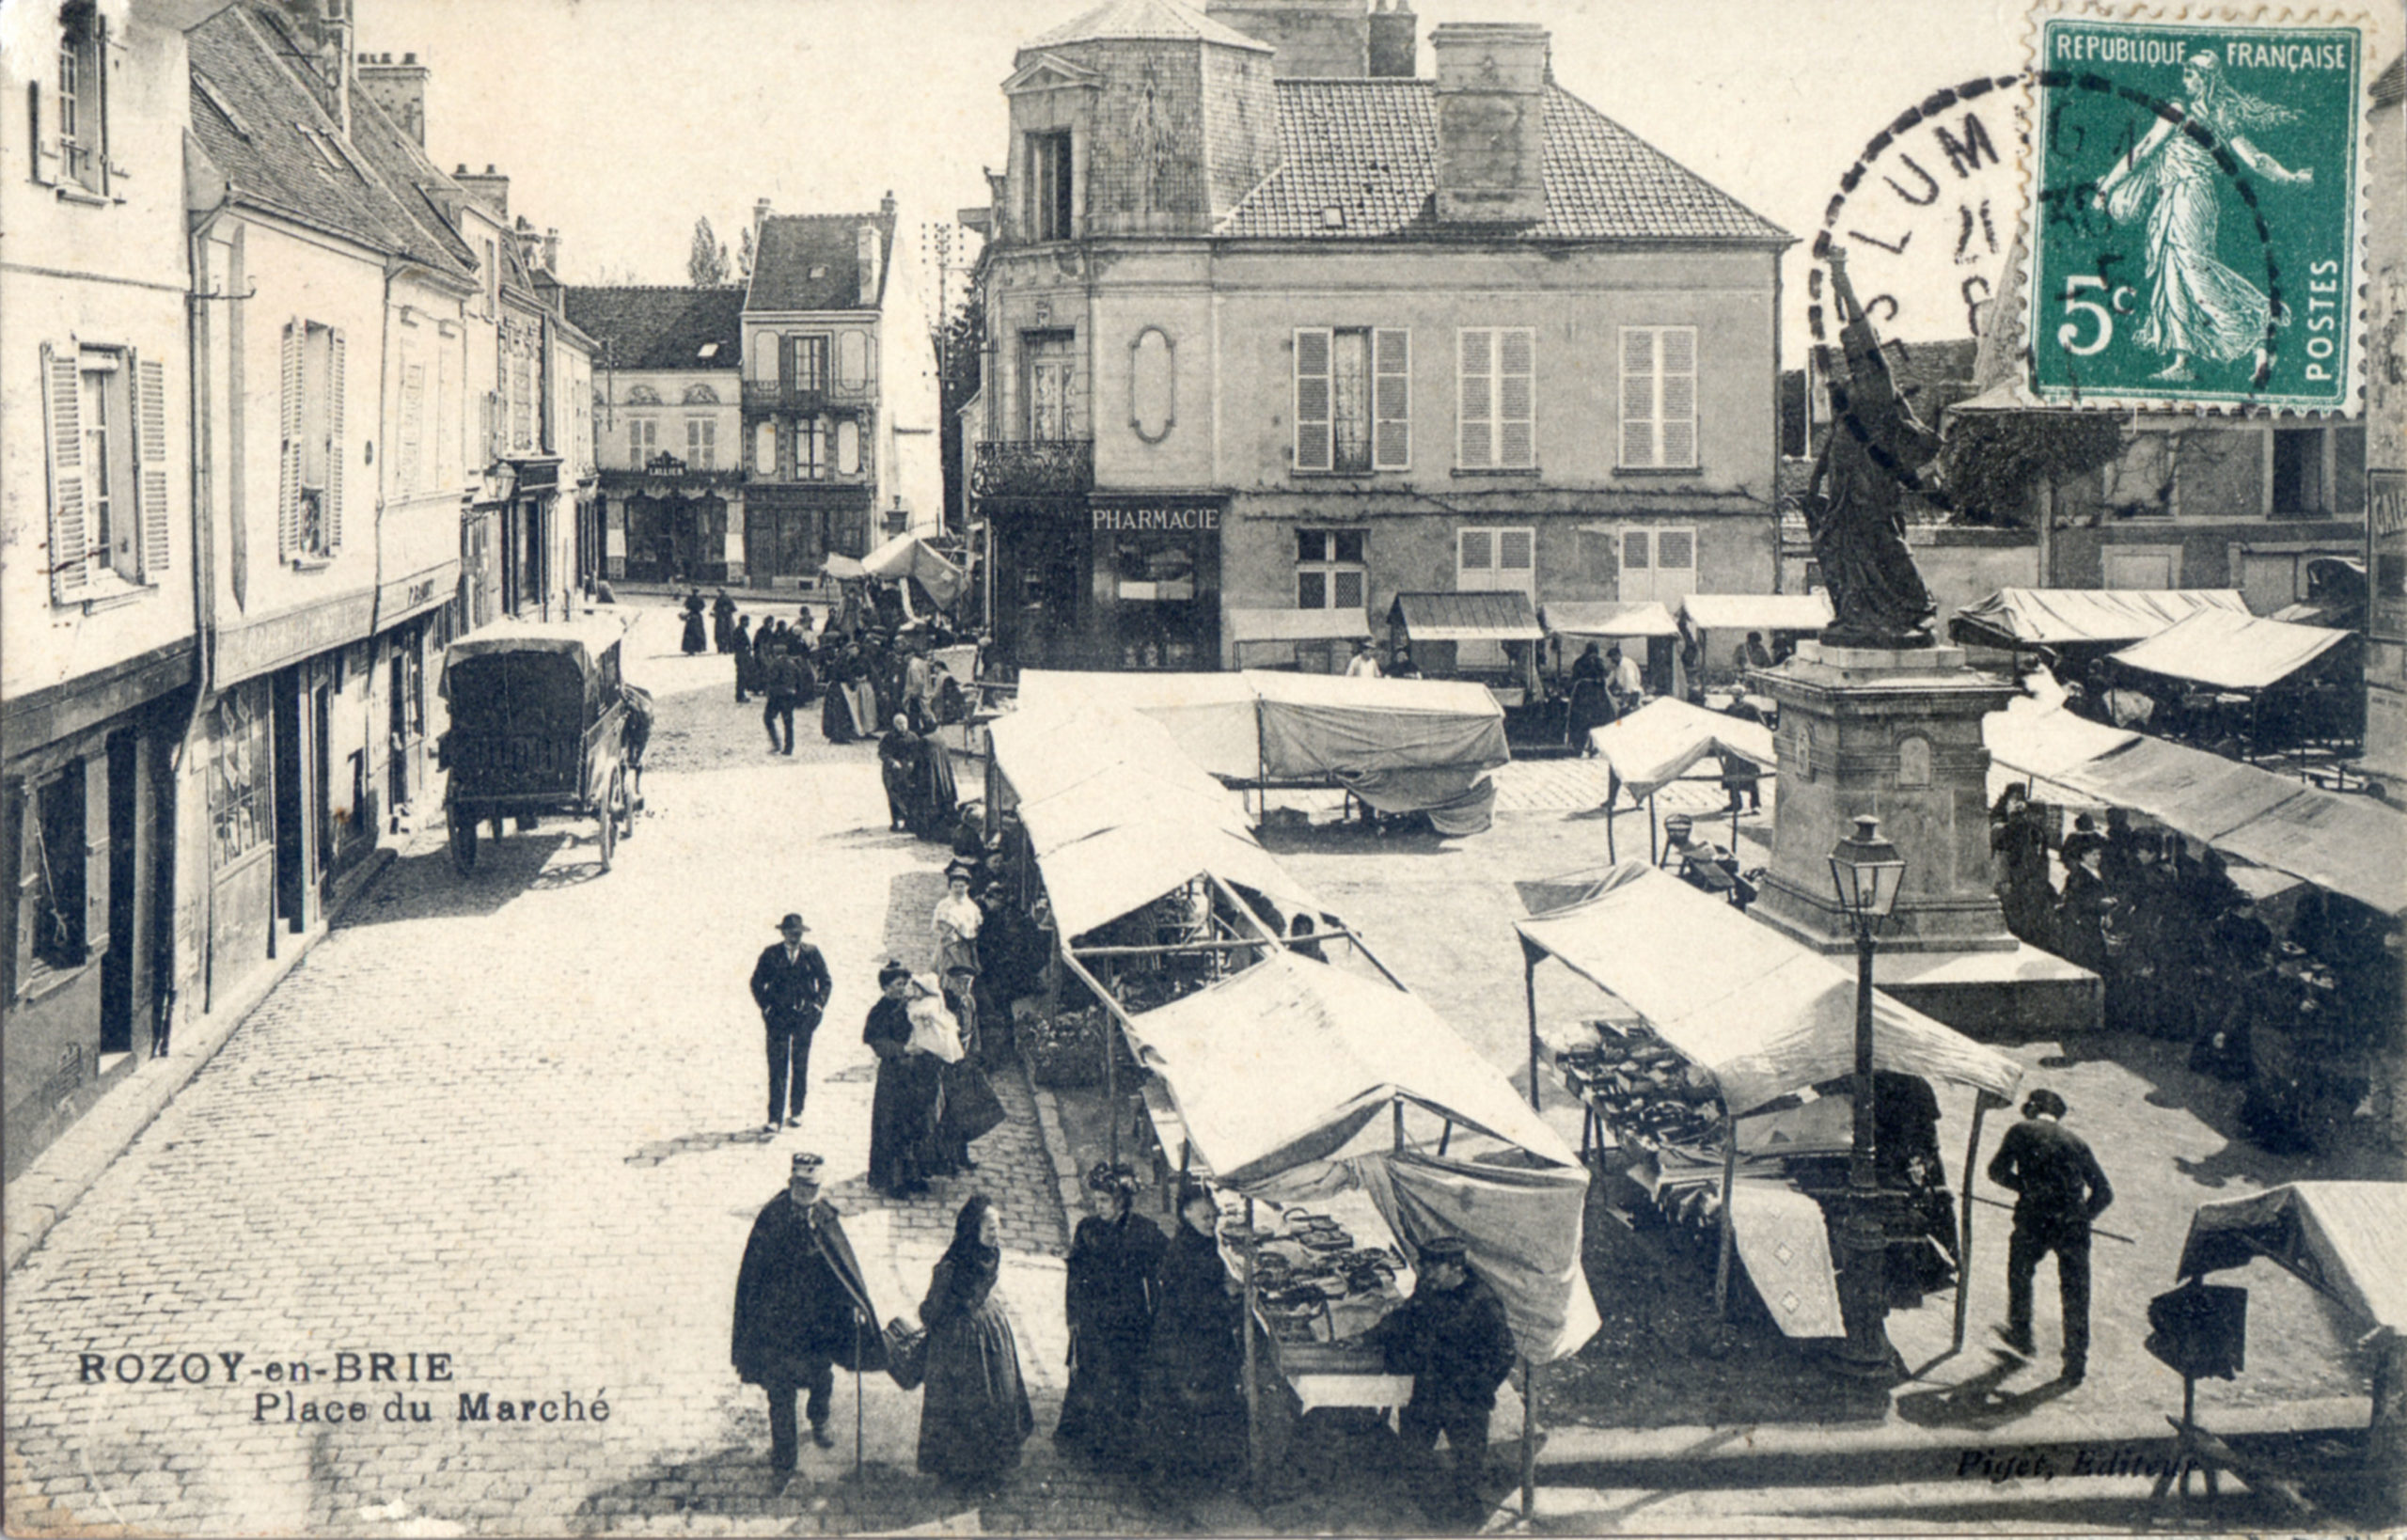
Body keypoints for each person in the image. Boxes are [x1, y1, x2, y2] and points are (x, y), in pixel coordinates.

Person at [2093, 52, 2313, 384]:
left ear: (2206, 79)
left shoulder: (2183, 111)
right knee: (2173, 275)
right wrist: (2291, 178)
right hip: (2177, 197)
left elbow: (2145, 149)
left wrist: (2106, 189)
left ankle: (2258, 329)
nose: (2184, 81)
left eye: (2190, 75)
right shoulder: (2220, 115)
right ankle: (2184, 360)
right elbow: (2256, 160)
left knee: (2195, 273)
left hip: (2188, 197)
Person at [732, 1153, 882, 1474]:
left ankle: (819, 1420)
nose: (807, 1193)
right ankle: (784, 1460)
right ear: (791, 1183)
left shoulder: (825, 1217)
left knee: (821, 1378)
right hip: (778, 1326)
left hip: (818, 1325)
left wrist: (854, 1304)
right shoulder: (772, 1218)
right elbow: (753, 1276)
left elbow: (843, 1268)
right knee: (780, 1392)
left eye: (813, 1187)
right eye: (801, 1185)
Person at [1363, 1234, 1517, 1524]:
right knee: (1414, 1453)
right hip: (1428, 1387)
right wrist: (1368, 1337)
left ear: (1456, 1267)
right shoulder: (1430, 1287)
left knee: (1467, 1466)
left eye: (1434, 1267)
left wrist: (1478, 1388)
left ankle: (1466, 1521)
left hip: (1465, 1397)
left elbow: (1504, 1353)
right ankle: (1427, 1511)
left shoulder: (1482, 1302)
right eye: (1425, 1266)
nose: (1426, 1273)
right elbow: (1405, 1317)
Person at [1988, 1090, 2112, 1383]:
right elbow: (2104, 1193)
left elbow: (1996, 1172)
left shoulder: (2021, 1130)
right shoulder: (2076, 1142)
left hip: (2034, 1219)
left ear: (2032, 1108)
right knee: (2076, 1292)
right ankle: (2075, 1364)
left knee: (2020, 1272)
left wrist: (2027, 1188)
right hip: (2073, 1226)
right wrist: (2082, 1217)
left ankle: (2021, 1334)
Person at [916, 1195, 1035, 1490]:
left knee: (977, 1401)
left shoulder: (978, 1257)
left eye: (998, 1227)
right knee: (980, 1400)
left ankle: (976, 1467)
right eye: (991, 1228)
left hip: (968, 1335)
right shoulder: (961, 1264)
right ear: (974, 1230)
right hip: (975, 1332)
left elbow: (931, 1311)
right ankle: (972, 1468)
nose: (996, 1234)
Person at [1139, 1179, 1246, 1495]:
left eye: (1214, 1216)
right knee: (1197, 1402)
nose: (1212, 1223)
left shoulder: (1197, 1240)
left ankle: (1193, 1471)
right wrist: (1229, 1297)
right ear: (1186, 1214)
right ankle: (1189, 1477)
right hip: (1187, 1341)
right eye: (1205, 1218)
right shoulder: (1185, 1252)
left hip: (1190, 1333)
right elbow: (1194, 1304)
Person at [1056, 1164, 1166, 1470]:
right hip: (1094, 1317)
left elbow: (1165, 1265)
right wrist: (1074, 1317)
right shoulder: (1087, 1229)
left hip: (1129, 1320)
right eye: (1096, 1200)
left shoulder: (1143, 1231)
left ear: (1121, 1201)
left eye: (1104, 1201)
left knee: (1124, 1380)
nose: (1098, 1206)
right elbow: (1074, 1278)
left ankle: (1119, 1448)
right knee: (1092, 1378)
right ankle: (1091, 1444)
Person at [863, 961, 942, 1197]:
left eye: (905, 984)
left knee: (916, 1124)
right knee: (892, 1127)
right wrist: (903, 1049)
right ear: (886, 987)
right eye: (898, 984)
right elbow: (877, 1042)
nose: (902, 988)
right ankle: (893, 1181)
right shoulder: (879, 1012)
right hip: (893, 1077)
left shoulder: (913, 1006)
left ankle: (915, 1176)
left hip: (916, 1075)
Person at [750, 913, 832, 1135]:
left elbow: (825, 981)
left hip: (803, 1018)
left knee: (800, 1064)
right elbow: (757, 982)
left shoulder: (811, 953)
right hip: (778, 1018)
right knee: (777, 1067)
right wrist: (766, 1006)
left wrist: (818, 1006)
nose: (794, 936)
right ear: (783, 933)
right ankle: (774, 1118)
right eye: (790, 932)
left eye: (797, 933)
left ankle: (797, 1111)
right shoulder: (771, 954)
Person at [2055, 841, 2113, 976]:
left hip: (2093, 920)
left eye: (2099, 854)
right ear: (2084, 855)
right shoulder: (2078, 875)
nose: (2098, 857)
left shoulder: (2095, 873)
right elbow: (2077, 900)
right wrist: (2101, 904)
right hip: (2081, 923)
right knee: (2087, 959)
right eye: (2094, 854)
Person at [879, 716, 923, 831]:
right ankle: (896, 822)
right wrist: (892, 761)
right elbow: (882, 753)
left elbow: (918, 752)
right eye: (899, 724)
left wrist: (912, 761)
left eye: (904, 723)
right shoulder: (888, 737)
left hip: (907, 772)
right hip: (892, 772)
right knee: (894, 797)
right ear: (895, 725)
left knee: (909, 796)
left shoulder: (913, 737)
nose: (902, 726)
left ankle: (909, 822)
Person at [617, 681, 654, 808]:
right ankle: (632, 786)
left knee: (635, 759)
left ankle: (634, 785)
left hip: (639, 728)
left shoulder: (643, 715)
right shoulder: (642, 709)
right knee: (631, 758)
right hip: (636, 726)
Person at [762, 642, 800, 756]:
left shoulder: (775, 663)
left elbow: (772, 678)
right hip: (790, 695)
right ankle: (789, 747)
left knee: (768, 718)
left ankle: (776, 743)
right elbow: (799, 678)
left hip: (777, 695)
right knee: (788, 723)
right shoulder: (793, 663)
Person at [732, 615, 756, 703]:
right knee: (741, 676)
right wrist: (745, 648)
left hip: (742, 656)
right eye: (747, 621)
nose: (748, 623)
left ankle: (741, 695)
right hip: (741, 657)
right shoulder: (739, 631)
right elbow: (736, 644)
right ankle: (740, 696)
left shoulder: (740, 630)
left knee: (743, 676)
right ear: (743, 621)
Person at [681, 589, 709, 655]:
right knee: (698, 632)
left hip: (691, 616)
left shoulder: (689, 598)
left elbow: (686, 606)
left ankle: (690, 649)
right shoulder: (700, 599)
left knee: (690, 633)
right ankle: (698, 648)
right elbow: (703, 607)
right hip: (698, 616)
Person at [713, 588, 739, 654]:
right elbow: (715, 608)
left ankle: (730, 648)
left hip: (727, 618)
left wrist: (727, 609)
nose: (720, 593)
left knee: (729, 633)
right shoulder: (718, 599)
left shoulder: (728, 599)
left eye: (721, 591)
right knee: (720, 633)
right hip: (720, 618)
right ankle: (721, 648)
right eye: (720, 591)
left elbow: (734, 609)